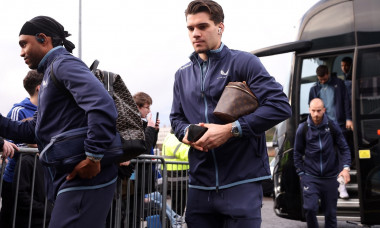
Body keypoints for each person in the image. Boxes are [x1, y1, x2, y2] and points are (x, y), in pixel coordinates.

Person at [170, 1, 292, 227]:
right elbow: (175, 119)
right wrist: (186, 132)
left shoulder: (244, 62)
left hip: (242, 183)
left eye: (203, 26)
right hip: (199, 186)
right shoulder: (181, 75)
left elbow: (280, 105)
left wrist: (231, 130)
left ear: (220, 27)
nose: (196, 33)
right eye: (191, 28)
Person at [0, 16, 121, 228]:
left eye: (24, 44)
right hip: (70, 179)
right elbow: (32, 130)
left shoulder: (64, 64)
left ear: (43, 39)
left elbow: (101, 105)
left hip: (85, 176)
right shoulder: (49, 74)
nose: (21, 52)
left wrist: (93, 157)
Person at [293, 98, 351, 228]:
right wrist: (301, 173)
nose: (316, 114)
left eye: (319, 111)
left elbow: (344, 148)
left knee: (330, 214)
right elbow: (297, 153)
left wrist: (346, 168)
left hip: (330, 178)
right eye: (313, 111)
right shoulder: (302, 129)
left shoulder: (332, 126)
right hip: (310, 177)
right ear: (309, 110)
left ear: (324, 110)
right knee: (310, 208)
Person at [0, 70, 45, 228]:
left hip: (39, 182)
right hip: (15, 180)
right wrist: (32, 145)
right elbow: (11, 144)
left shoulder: (46, 111)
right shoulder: (18, 111)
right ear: (40, 88)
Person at [309, 65, 352, 199]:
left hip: (338, 124)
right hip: (323, 127)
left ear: (328, 74)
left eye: (324, 78)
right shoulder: (314, 89)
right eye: (320, 79)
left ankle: (342, 186)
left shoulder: (339, 84)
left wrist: (348, 118)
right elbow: (311, 108)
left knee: (341, 153)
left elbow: (346, 101)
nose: (322, 81)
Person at [129, 92, 160, 227]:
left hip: (138, 179)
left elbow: (150, 147)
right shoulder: (132, 123)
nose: (149, 111)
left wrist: (154, 131)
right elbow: (144, 149)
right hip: (133, 178)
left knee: (135, 212)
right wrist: (150, 129)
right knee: (131, 213)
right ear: (138, 107)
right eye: (147, 107)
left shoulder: (141, 123)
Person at [161, 130, 190, 216]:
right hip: (178, 181)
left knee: (175, 209)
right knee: (177, 211)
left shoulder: (170, 137)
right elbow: (187, 154)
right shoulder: (175, 139)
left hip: (176, 180)